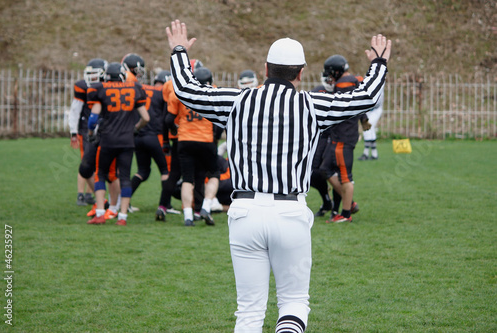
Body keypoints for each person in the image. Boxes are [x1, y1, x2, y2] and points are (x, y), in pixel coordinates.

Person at [166, 19, 391, 332]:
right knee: (294, 302)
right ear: (300, 73)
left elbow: (187, 90)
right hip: (290, 211)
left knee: (248, 312)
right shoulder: (311, 105)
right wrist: (379, 63)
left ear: (265, 69)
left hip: (245, 212)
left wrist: (178, 51)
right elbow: (365, 98)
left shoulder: (237, 100)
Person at [86, 62, 149, 226]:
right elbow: (146, 118)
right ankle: (122, 217)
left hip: (107, 139)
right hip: (127, 141)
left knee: (100, 174)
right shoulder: (134, 88)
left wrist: (91, 133)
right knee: (125, 177)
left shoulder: (101, 89)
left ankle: (100, 213)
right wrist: (135, 128)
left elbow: (93, 118)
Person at [164, 66, 220, 227]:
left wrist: (176, 130)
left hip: (185, 140)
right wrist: (215, 137)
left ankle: (188, 216)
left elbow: (168, 120)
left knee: (187, 178)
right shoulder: (214, 92)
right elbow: (221, 119)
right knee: (214, 173)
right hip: (206, 140)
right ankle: (206, 207)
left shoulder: (182, 92)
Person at [319, 55, 372, 223]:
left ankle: (346, 214)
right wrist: (363, 119)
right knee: (325, 169)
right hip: (341, 135)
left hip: (343, 136)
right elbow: (357, 103)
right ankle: (350, 202)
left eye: (330, 72)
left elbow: (345, 104)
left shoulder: (344, 83)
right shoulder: (352, 80)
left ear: (336, 71)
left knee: (345, 176)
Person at [126, 63, 170, 220]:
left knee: (142, 171)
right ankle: (164, 207)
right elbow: (167, 118)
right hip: (154, 137)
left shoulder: (142, 88)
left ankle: (123, 201)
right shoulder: (163, 93)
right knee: (166, 172)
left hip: (138, 136)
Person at [69, 58, 107, 206]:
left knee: (96, 163)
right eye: (90, 74)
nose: (92, 77)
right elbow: (75, 110)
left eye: (95, 74)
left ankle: (90, 194)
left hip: (102, 128)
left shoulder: (106, 86)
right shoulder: (82, 86)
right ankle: (80, 194)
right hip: (86, 128)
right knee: (86, 161)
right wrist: (73, 131)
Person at [358, 88, 384, 160]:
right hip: (368, 109)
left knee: (368, 128)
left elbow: (377, 102)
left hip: (375, 110)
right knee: (369, 129)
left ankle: (366, 153)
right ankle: (374, 154)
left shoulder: (379, 86)